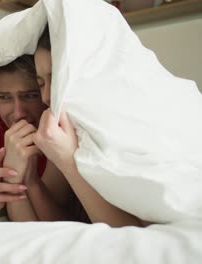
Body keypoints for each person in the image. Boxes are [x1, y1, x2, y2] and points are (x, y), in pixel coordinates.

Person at [33, 25, 149, 227]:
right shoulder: (69, 130)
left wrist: (68, 161)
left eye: (56, 78)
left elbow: (132, 236)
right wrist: (27, 180)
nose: (45, 97)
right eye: (41, 83)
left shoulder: (133, 126)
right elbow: (51, 222)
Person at [0, 55, 78, 222]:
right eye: (4, 97)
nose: (18, 113)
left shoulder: (57, 130)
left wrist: (28, 181)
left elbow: (53, 226)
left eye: (30, 96)